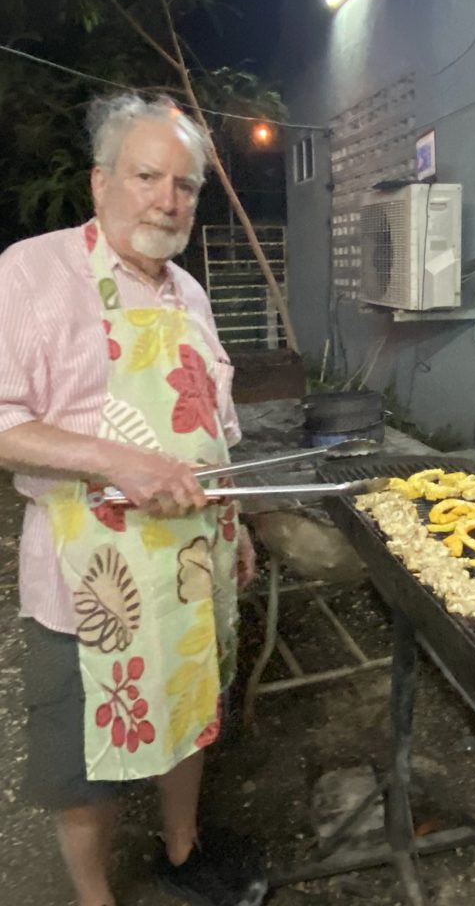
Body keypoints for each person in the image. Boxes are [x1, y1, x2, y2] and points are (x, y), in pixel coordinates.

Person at [0, 93, 266, 906]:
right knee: (84, 759)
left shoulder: (189, 290)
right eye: (148, 176)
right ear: (101, 181)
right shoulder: (32, 273)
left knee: (191, 709)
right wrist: (116, 458)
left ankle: (183, 852)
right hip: (93, 580)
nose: (168, 200)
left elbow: (212, 427)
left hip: (192, 557)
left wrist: (239, 522)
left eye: (185, 185)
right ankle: (94, 897)